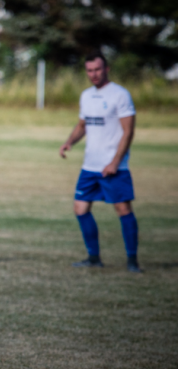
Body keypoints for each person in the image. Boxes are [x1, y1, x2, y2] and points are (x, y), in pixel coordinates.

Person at [60, 51, 142, 273]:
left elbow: (128, 132)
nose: (93, 74)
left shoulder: (120, 95)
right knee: (80, 208)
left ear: (106, 69)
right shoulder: (86, 96)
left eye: (97, 69)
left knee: (123, 209)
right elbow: (82, 125)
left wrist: (115, 162)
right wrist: (69, 142)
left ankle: (132, 261)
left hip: (113, 166)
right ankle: (94, 257)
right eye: (89, 70)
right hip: (90, 166)